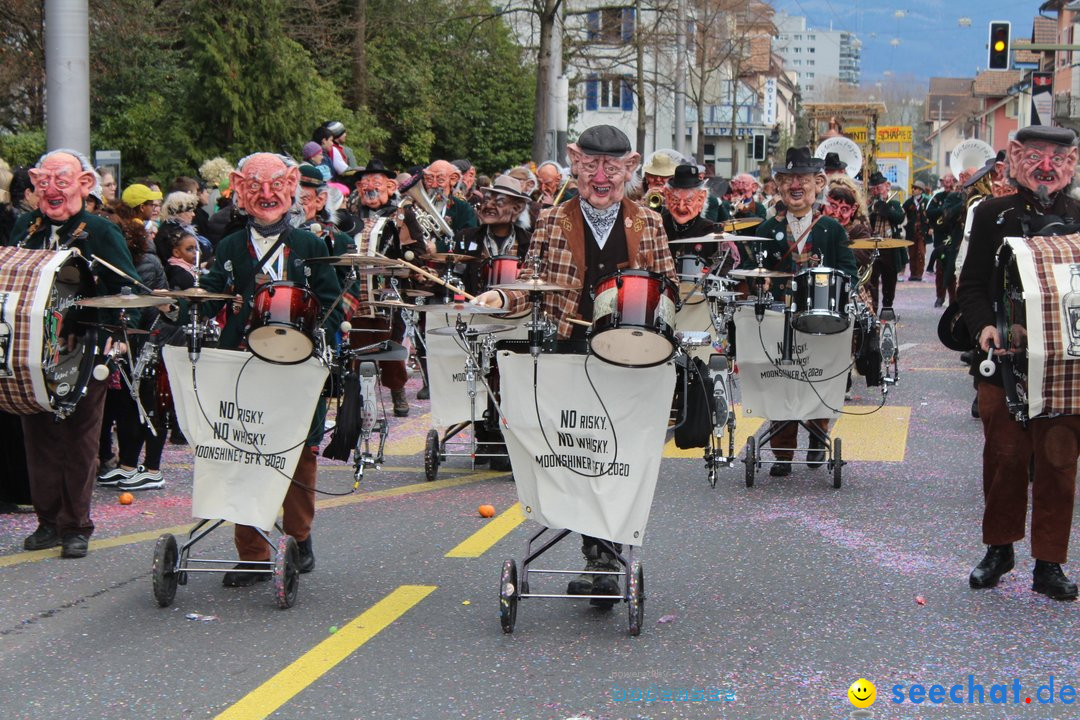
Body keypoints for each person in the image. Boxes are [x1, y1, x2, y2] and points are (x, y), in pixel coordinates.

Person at [473, 124, 676, 602]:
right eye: (590, 165)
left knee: (617, 456)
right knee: (579, 449)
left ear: (631, 167)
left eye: (612, 166)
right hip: (566, 351)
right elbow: (530, 282)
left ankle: (605, 554)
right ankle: (598, 553)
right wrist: (500, 297)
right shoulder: (550, 219)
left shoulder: (649, 222)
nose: (600, 176)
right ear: (574, 162)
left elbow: (668, 287)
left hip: (631, 357)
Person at [187, 152, 343, 584]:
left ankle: (299, 537)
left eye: (276, 184)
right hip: (241, 359)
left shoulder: (310, 243)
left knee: (298, 453)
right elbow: (215, 290)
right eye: (255, 186)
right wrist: (192, 301)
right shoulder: (231, 245)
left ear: (292, 186)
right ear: (239, 190)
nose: (267, 194)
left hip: (299, 361)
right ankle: (253, 553)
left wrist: (327, 345)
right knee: (242, 448)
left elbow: (330, 297)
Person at [957, 125, 1080, 601]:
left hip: (1065, 363)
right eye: (1037, 155)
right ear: (1015, 158)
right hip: (1004, 356)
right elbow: (969, 286)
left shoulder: (1077, 215)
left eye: (1058, 156)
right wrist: (984, 327)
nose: (1047, 166)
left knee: (1059, 460)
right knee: (1005, 456)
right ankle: (999, 548)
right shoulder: (990, 213)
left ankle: (1049, 563)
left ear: (1070, 163)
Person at [7, 149, 143, 558]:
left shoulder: (100, 230)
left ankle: (76, 525)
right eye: (42, 181)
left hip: (83, 347)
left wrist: (114, 333)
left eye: (60, 181)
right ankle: (47, 521)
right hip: (32, 348)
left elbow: (128, 287)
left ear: (84, 184)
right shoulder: (25, 227)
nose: (50, 190)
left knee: (80, 438)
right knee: (39, 435)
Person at [749, 147, 857, 477]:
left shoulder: (832, 229)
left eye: (804, 179)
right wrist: (761, 284)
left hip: (821, 318)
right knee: (781, 379)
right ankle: (782, 452)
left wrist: (841, 291)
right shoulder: (766, 229)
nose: (796, 186)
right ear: (778, 186)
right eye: (788, 179)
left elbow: (849, 271)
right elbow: (754, 271)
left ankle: (817, 437)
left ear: (818, 183)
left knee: (820, 377)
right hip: (779, 316)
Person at [865, 171, 905, 312]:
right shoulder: (869, 204)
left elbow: (900, 217)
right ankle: (873, 308)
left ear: (886, 186)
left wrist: (886, 210)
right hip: (873, 246)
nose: (876, 191)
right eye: (873, 188)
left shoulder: (893, 202)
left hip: (889, 247)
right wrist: (872, 210)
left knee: (890, 280)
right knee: (872, 280)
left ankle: (887, 307)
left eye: (879, 187)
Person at [926, 173, 964, 307]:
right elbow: (929, 211)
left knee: (953, 270)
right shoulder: (938, 196)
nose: (948, 184)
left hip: (954, 237)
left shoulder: (959, 197)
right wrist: (943, 210)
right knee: (940, 270)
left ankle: (953, 299)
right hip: (941, 237)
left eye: (950, 182)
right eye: (945, 182)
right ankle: (940, 297)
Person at [902, 180, 931, 281]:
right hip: (911, 232)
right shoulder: (909, 202)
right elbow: (901, 213)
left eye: (915, 188)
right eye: (913, 188)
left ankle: (919, 274)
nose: (913, 190)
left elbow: (931, 215)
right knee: (912, 253)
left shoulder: (927, 202)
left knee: (921, 253)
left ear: (921, 191)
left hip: (922, 232)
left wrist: (931, 227)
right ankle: (913, 273)